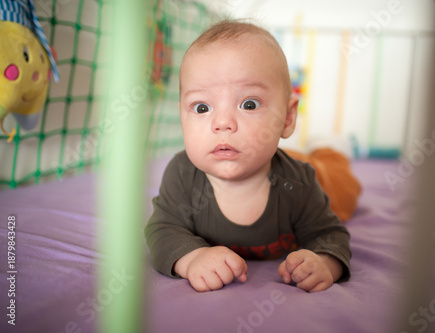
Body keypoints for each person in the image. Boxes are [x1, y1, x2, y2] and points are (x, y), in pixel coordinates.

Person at [145, 20, 360, 293]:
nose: (222, 124)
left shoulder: (299, 183)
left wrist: (325, 262)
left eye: (249, 104)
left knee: (341, 186)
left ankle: (332, 148)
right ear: (182, 117)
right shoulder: (182, 174)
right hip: (266, 153)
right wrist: (192, 258)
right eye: (201, 107)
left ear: (288, 117)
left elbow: (329, 235)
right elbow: (162, 230)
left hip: (315, 174)